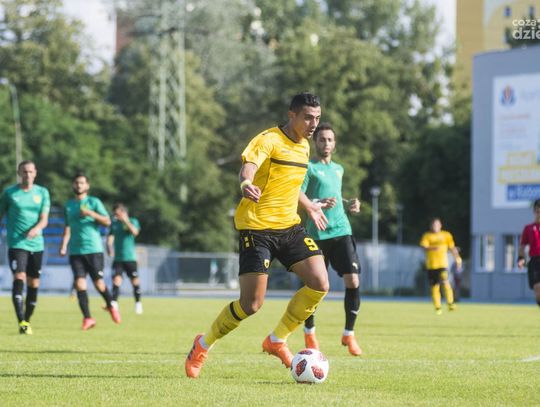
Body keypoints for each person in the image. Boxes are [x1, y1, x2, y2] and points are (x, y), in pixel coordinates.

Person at [184, 92, 330, 379]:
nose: (313, 124)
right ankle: (202, 344)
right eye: (308, 118)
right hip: (257, 228)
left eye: (317, 118)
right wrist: (246, 184)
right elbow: (248, 168)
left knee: (320, 282)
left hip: (289, 227)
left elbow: (290, 186)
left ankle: (277, 340)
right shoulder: (268, 139)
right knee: (251, 304)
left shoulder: (304, 148)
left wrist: (309, 205)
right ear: (292, 115)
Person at [300, 123, 363, 356]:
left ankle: (349, 334)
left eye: (330, 139)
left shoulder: (339, 169)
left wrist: (351, 204)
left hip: (341, 230)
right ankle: (309, 332)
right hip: (316, 234)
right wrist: (318, 203)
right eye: (322, 139)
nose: (326, 143)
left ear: (334, 144)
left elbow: (335, 195)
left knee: (353, 280)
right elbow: (299, 196)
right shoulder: (309, 168)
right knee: (315, 286)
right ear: (315, 142)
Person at [59, 173, 121, 330]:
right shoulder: (68, 205)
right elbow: (67, 227)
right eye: (76, 183)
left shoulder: (94, 202)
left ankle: (111, 305)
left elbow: (107, 221)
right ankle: (88, 318)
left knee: (99, 283)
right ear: (73, 185)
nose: (79, 185)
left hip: (93, 250)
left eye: (82, 183)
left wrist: (91, 213)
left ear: (87, 186)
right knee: (80, 284)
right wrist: (64, 245)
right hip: (75, 251)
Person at [0, 160, 50, 334]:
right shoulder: (9, 193)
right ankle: (21, 320)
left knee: (33, 282)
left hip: (37, 244)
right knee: (19, 276)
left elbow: (44, 219)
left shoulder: (42, 192)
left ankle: (27, 320)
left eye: (30, 171)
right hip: (17, 243)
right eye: (24, 171)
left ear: (35, 173)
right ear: (19, 173)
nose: (27, 174)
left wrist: (36, 228)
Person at [419, 218, 461, 314]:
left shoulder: (446, 235)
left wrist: (457, 258)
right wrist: (432, 248)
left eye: (437, 225)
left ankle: (450, 303)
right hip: (431, 265)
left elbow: (452, 248)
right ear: (431, 226)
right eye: (434, 225)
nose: (435, 227)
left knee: (445, 281)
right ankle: (438, 307)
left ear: (440, 225)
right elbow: (423, 246)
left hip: (442, 264)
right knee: (435, 286)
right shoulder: (427, 236)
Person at [106, 203, 143, 314]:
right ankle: (114, 303)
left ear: (123, 212)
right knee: (116, 280)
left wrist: (125, 221)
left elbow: (135, 232)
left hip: (130, 258)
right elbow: (110, 236)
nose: (115, 216)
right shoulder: (115, 224)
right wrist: (109, 246)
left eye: (117, 214)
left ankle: (138, 303)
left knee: (134, 281)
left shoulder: (133, 221)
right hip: (118, 258)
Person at [517, 198, 540, 308]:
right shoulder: (528, 228)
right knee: (537, 289)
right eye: (538, 211)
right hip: (534, 262)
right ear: (534, 211)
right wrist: (521, 258)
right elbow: (522, 245)